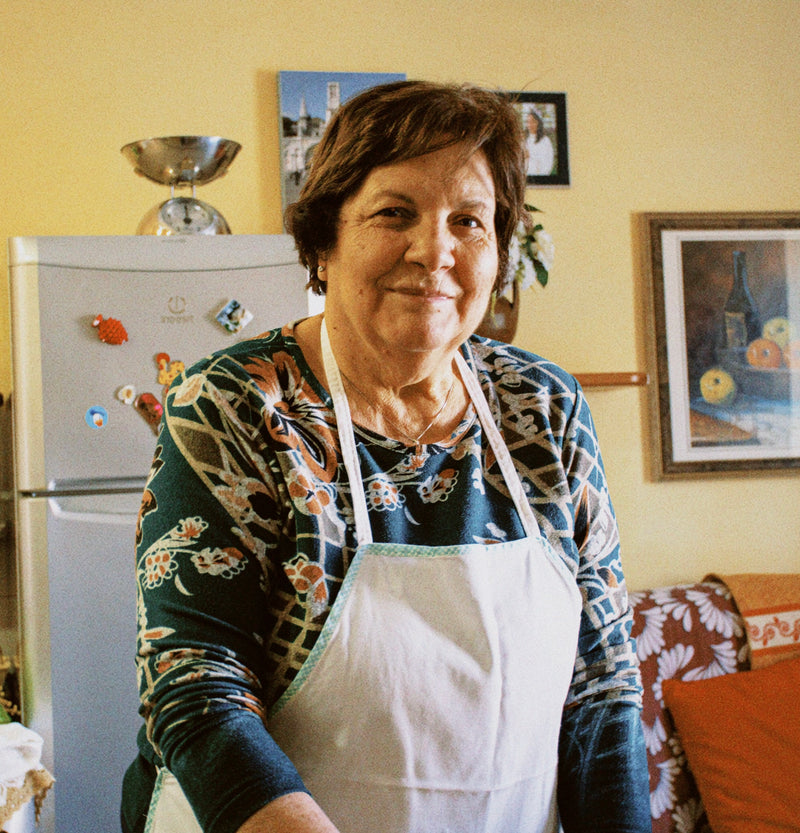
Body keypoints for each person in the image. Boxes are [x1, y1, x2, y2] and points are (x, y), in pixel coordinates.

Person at [121, 80, 650, 833]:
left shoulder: (543, 407)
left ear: (499, 249)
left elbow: (601, 686)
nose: (434, 249)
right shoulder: (236, 404)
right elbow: (197, 686)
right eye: (394, 213)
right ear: (325, 240)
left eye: (469, 220)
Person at [525, 107, 555, 177]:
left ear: (539, 123)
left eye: (533, 122)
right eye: (528, 122)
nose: (530, 125)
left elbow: (547, 164)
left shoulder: (545, 141)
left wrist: (530, 156)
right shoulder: (525, 140)